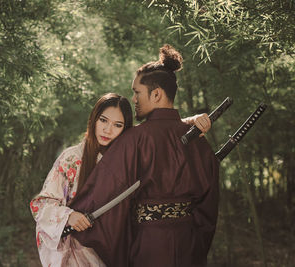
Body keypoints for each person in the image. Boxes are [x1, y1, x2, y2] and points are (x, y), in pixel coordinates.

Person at [69, 44, 219, 267]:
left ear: (156, 94)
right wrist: (195, 243)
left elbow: (103, 192)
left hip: (148, 246)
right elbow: (209, 206)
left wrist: (73, 217)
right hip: (190, 246)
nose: (134, 99)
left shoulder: (134, 139)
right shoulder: (199, 141)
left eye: (137, 92)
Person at [30, 91, 211, 266]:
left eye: (118, 125)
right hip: (77, 252)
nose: (108, 130)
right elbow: (41, 205)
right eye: (103, 120)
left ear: (125, 130)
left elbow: (157, 136)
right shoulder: (71, 159)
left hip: (119, 250)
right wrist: (68, 216)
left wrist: (190, 123)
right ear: (93, 119)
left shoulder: (129, 159)